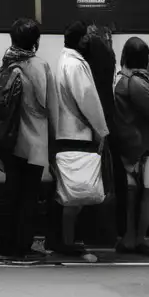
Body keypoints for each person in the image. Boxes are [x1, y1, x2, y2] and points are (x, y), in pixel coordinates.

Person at [48, 21, 109, 262]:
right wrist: (101, 130)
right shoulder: (75, 64)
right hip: (77, 134)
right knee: (75, 193)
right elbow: (88, 100)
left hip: (68, 133)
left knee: (67, 193)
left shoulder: (66, 60)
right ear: (81, 40)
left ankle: (62, 240)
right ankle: (66, 242)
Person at [0, 18, 53, 264]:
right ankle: (22, 247)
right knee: (29, 196)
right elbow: (49, 104)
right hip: (33, 142)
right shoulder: (40, 66)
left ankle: (5, 245)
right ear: (36, 41)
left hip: (10, 140)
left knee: (11, 193)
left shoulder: (7, 63)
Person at [113, 36, 149, 258]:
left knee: (131, 196)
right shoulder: (137, 82)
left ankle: (129, 238)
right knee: (148, 194)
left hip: (129, 146)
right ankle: (138, 239)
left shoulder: (121, 79)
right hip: (144, 147)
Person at [85, 24, 127, 244]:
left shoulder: (87, 66)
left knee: (91, 179)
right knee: (112, 179)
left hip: (95, 125)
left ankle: (93, 232)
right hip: (109, 121)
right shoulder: (108, 59)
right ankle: (114, 231)